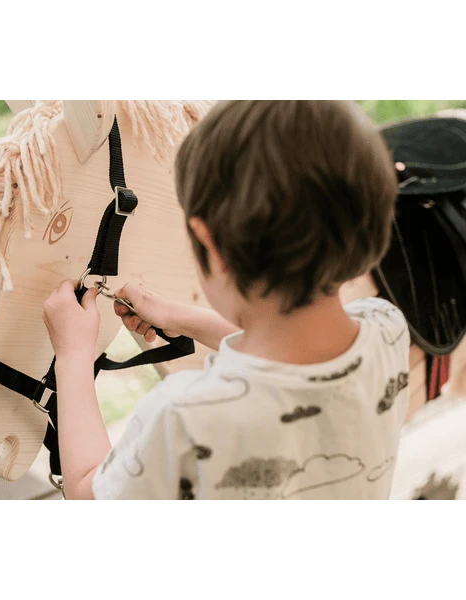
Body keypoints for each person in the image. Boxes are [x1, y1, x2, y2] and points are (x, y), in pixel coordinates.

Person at [42, 100, 409, 500]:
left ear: (209, 244)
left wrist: (74, 356)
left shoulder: (184, 419)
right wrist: (183, 319)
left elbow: (87, 493)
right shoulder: (386, 327)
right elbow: (290, 348)